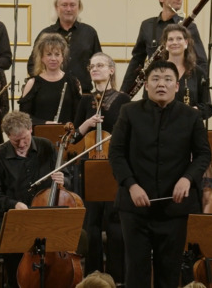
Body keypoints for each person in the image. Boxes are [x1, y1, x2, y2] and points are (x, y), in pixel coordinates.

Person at [109, 60, 211, 288]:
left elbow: (204, 155)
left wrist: (187, 179)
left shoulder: (191, 116)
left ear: (177, 86)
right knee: (136, 272)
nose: (161, 84)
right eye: (155, 79)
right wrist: (131, 185)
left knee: (169, 270)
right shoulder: (129, 112)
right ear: (146, 85)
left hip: (174, 208)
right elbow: (116, 154)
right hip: (135, 207)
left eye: (167, 80)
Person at [0, 111, 69, 287]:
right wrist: (14, 205)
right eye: (16, 141)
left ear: (31, 129)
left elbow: (67, 178)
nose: (22, 144)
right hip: (16, 222)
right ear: (8, 136)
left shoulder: (46, 147)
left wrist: (64, 180)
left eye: (25, 139)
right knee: (17, 276)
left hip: (47, 218)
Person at [73, 52, 130, 284]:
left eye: (100, 65)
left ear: (111, 70)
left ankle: (117, 278)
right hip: (89, 168)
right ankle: (92, 278)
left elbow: (130, 134)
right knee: (92, 226)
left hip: (115, 167)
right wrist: (87, 124)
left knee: (116, 226)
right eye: (92, 66)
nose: (95, 69)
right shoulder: (86, 101)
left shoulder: (124, 99)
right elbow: (74, 138)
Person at [161, 23, 212, 214]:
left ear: (186, 43)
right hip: (164, 133)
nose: (174, 42)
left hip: (191, 135)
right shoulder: (158, 70)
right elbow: (147, 103)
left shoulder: (198, 72)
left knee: (202, 188)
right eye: (170, 39)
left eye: (179, 39)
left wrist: (194, 111)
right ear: (165, 44)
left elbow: (207, 106)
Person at [120, 0, 207, 96]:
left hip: (180, 89)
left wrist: (201, 91)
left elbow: (201, 61)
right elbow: (137, 60)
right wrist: (123, 93)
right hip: (153, 89)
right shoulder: (147, 26)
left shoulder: (189, 26)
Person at [27, 0, 101, 93]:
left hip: (83, 95)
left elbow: (99, 65)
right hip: (51, 94)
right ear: (57, 8)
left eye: (72, 5)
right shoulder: (45, 34)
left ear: (79, 7)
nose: (68, 9)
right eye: (64, 5)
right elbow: (32, 66)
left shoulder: (90, 33)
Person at [19, 33, 81, 125]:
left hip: (67, 136)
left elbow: (79, 115)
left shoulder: (73, 82)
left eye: (57, 54)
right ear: (42, 58)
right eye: (48, 54)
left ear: (62, 57)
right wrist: (45, 123)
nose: (53, 58)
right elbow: (24, 117)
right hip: (39, 136)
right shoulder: (32, 83)